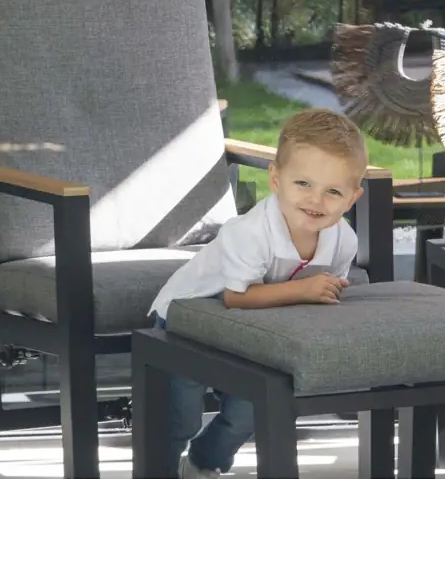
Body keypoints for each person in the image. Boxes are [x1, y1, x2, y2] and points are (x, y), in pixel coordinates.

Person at [149, 107, 369, 479]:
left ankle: (203, 463)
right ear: (276, 179)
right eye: (303, 184)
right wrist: (305, 289)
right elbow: (235, 298)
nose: (316, 200)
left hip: (252, 330)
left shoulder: (343, 240)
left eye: (333, 191)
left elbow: (321, 297)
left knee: (248, 411)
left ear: (352, 198)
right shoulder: (251, 233)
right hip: (186, 319)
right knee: (180, 419)